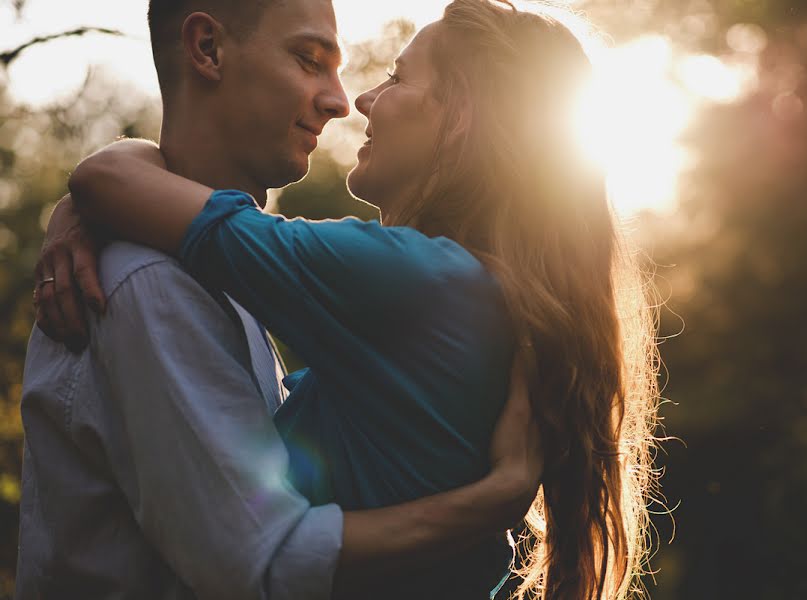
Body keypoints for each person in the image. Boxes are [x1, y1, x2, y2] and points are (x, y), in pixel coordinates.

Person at [42, 0, 662, 598]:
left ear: (464, 114)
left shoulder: (415, 281)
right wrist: (85, 209)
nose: (356, 100)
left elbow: (109, 182)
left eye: (396, 78)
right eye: (310, 61)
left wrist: (85, 202)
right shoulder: (482, 296)